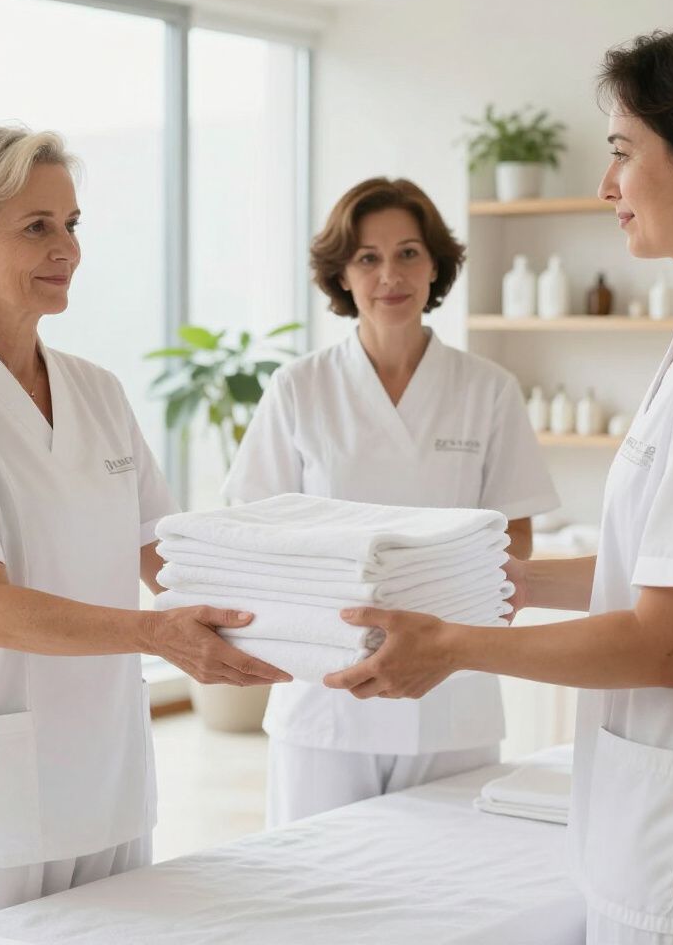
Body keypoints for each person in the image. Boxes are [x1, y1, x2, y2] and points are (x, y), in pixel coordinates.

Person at [325, 19, 673, 945]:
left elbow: (665, 644)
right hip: (663, 809)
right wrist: (518, 583)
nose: (607, 185)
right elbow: (667, 567)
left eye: (622, 153)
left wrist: (452, 645)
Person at [0, 125, 290, 944]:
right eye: (37, 227)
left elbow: (165, 555)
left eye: (72, 224)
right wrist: (159, 637)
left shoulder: (97, 391)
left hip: (104, 769)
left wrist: (308, 610)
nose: (66, 250)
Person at [223, 177, 559, 825]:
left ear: (435, 265)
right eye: (368, 258)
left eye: (408, 252)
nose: (390, 275)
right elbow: (254, 534)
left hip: (452, 690)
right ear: (342, 274)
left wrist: (453, 620)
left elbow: (514, 541)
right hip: (324, 690)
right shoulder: (299, 388)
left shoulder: (487, 389)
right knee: (318, 891)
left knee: (447, 893)